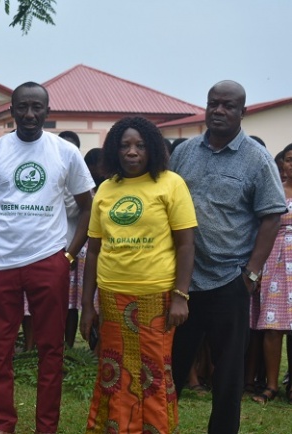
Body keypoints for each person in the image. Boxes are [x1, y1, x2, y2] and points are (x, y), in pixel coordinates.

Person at [0, 82, 94, 434]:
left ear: (47, 111)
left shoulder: (65, 152)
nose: (29, 114)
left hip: (48, 262)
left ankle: (46, 427)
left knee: (51, 350)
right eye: (22, 107)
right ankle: (3, 425)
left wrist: (69, 255)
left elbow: (88, 207)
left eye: (37, 107)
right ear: (12, 110)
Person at [170, 80, 286, 434]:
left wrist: (251, 273)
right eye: (213, 103)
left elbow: (271, 216)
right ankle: (159, 426)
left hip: (230, 281)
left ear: (242, 112)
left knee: (228, 374)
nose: (218, 111)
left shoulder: (257, 159)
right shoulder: (184, 152)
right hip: (183, 281)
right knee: (171, 366)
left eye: (228, 105)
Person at [80, 116, 197, 433]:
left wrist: (180, 296)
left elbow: (186, 245)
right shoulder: (106, 188)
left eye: (140, 145)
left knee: (153, 371)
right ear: (114, 150)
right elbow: (93, 250)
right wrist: (87, 305)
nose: (132, 152)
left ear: (153, 149)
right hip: (111, 296)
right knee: (114, 368)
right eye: (125, 146)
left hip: (155, 297)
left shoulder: (171, 184)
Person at [250, 142, 292, 404]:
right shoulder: (274, 191)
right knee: (272, 327)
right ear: (282, 163)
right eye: (289, 159)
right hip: (275, 262)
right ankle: (271, 386)